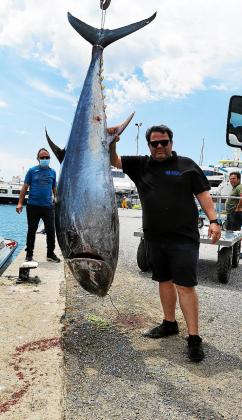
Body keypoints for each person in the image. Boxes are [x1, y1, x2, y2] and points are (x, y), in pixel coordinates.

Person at [109, 124, 221, 362]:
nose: (159, 147)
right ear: (149, 145)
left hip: (183, 237)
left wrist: (214, 220)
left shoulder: (187, 165)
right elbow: (114, 161)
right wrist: (113, 141)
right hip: (155, 237)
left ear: (172, 142)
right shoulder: (140, 165)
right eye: (154, 143)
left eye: (164, 142)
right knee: (164, 281)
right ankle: (169, 323)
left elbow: (204, 195)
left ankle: (194, 338)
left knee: (185, 286)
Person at [16, 148, 61, 263]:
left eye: (47, 157)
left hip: (48, 207)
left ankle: (50, 254)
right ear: (38, 159)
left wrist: (56, 199)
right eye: (42, 157)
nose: (45, 159)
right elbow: (24, 187)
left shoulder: (53, 172)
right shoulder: (32, 171)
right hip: (33, 206)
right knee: (32, 230)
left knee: (51, 230)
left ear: (49, 159)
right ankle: (29, 254)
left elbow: (54, 188)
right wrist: (20, 203)